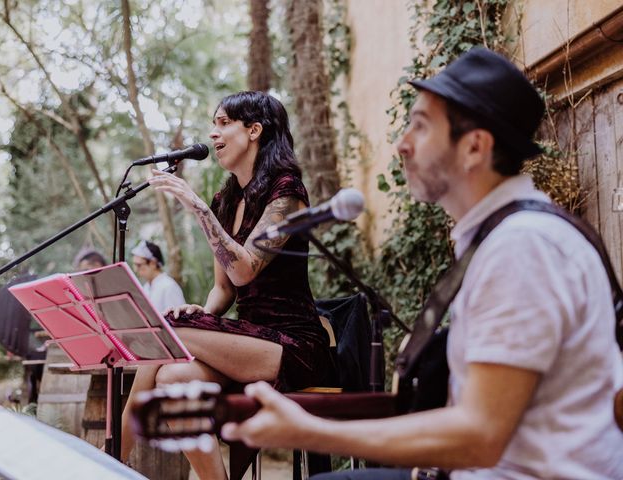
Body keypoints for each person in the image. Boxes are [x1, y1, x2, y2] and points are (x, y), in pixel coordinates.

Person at [221, 48, 623, 479]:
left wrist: (310, 430)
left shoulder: (523, 247)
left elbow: (480, 434)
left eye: (420, 126)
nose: (402, 145)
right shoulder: (507, 237)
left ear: (474, 147)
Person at [121, 91, 333, 479]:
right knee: (171, 380)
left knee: (163, 331)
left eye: (223, 123)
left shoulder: (287, 192)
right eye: (212, 125)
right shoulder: (226, 198)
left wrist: (198, 208)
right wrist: (205, 312)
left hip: (294, 345)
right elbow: (225, 289)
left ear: (254, 130)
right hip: (248, 338)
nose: (213, 134)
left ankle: (110, 460)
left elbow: (245, 269)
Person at [131, 240, 186, 312]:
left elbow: (177, 320)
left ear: (153, 263)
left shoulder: (169, 287)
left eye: (139, 265)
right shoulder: (146, 287)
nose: (136, 270)